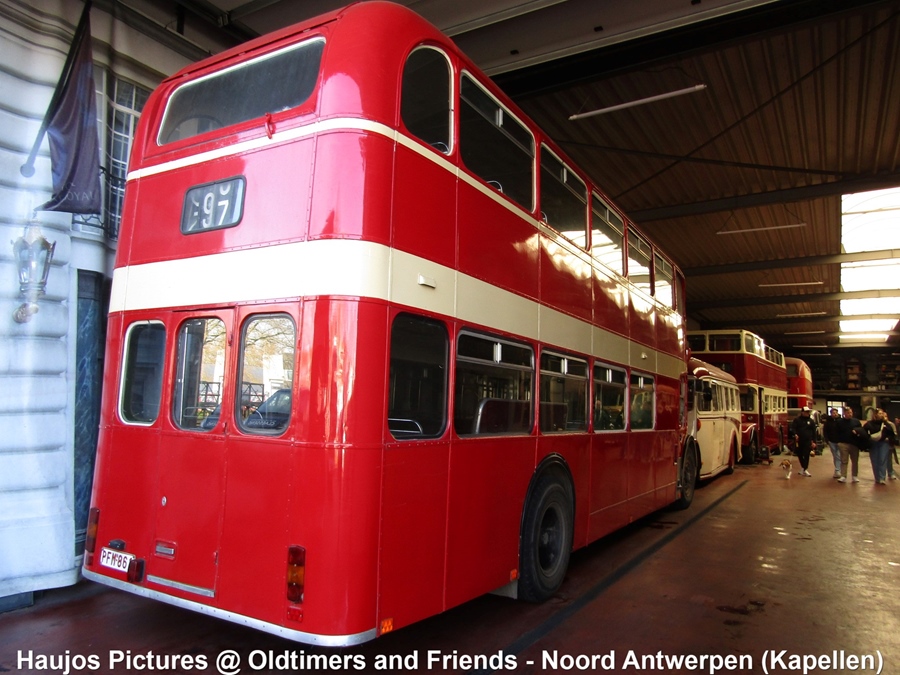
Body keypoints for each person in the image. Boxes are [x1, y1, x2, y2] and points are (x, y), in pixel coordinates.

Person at [864, 409, 898, 485]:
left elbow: (892, 434)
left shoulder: (886, 424)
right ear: (875, 414)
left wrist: (889, 439)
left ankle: (882, 478)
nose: (881, 415)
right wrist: (868, 439)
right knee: (874, 460)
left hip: (884, 443)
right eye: (880, 413)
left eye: (882, 413)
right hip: (873, 443)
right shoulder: (869, 424)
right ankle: (877, 477)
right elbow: (864, 432)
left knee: (883, 459)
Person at [836, 406, 862, 483]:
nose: (850, 414)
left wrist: (857, 433)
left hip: (854, 444)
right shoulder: (839, 422)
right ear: (844, 413)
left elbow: (861, 431)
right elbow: (836, 432)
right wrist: (838, 442)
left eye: (851, 412)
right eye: (848, 413)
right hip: (843, 444)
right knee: (844, 461)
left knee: (855, 461)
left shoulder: (856, 422)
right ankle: (843, 476)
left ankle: (854, 476)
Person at [790, 406, 817, 476]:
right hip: (799, 440)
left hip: (808, 441)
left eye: (808, 412)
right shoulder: (797, 420)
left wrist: (814, 441)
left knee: (806, 454)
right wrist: (795, 434)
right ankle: (803, 468)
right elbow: (793, 428)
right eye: (806, 412)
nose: (807, 413)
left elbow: (814, 432)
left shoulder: (811, 421)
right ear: (802, 412)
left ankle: (805, 469)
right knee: (800, 454)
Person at [822, 407, 842, 479]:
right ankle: (838, 470)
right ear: (831, 414)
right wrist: (827, 440)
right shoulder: (828, 422)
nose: (835, 414)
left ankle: (837, 470)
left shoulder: (841, 421)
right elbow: (825, 431)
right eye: (833, 413)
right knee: (835, 456)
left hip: (840, 441)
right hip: (832, 442)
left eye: (836, 412)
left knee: (838, 456)